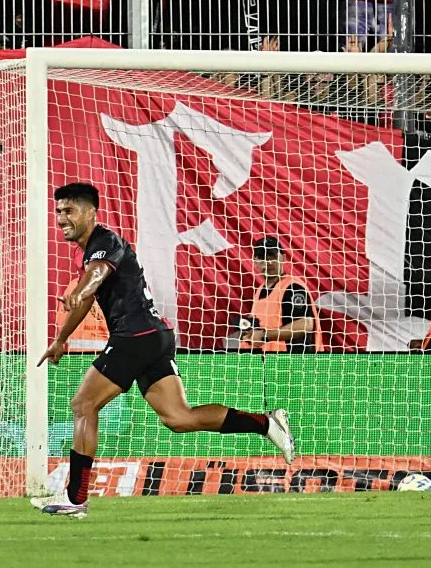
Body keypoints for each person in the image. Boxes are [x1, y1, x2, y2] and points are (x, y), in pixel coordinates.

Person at [32, 183, 294, 518]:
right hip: (154, 335)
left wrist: (81, 289)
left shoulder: (105, 241)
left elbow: (96, 277)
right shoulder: (91, 251)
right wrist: (61, 338)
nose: (61, 218)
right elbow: (87, 298)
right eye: (58, 211)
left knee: (84, 403)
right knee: (179, 418)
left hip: (135, 335)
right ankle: (266, 424)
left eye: (68, 211)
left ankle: (76, 498)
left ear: (90, 212)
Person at [240, 236, 324, 353]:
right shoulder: (260, 290)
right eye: (262, 258)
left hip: (293, 362)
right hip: (270, 359)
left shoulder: (293, 287)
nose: (268, 263)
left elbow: (307, 324)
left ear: (283, 258)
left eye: (273, 257)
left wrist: (264, 335)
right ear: (255, 261)